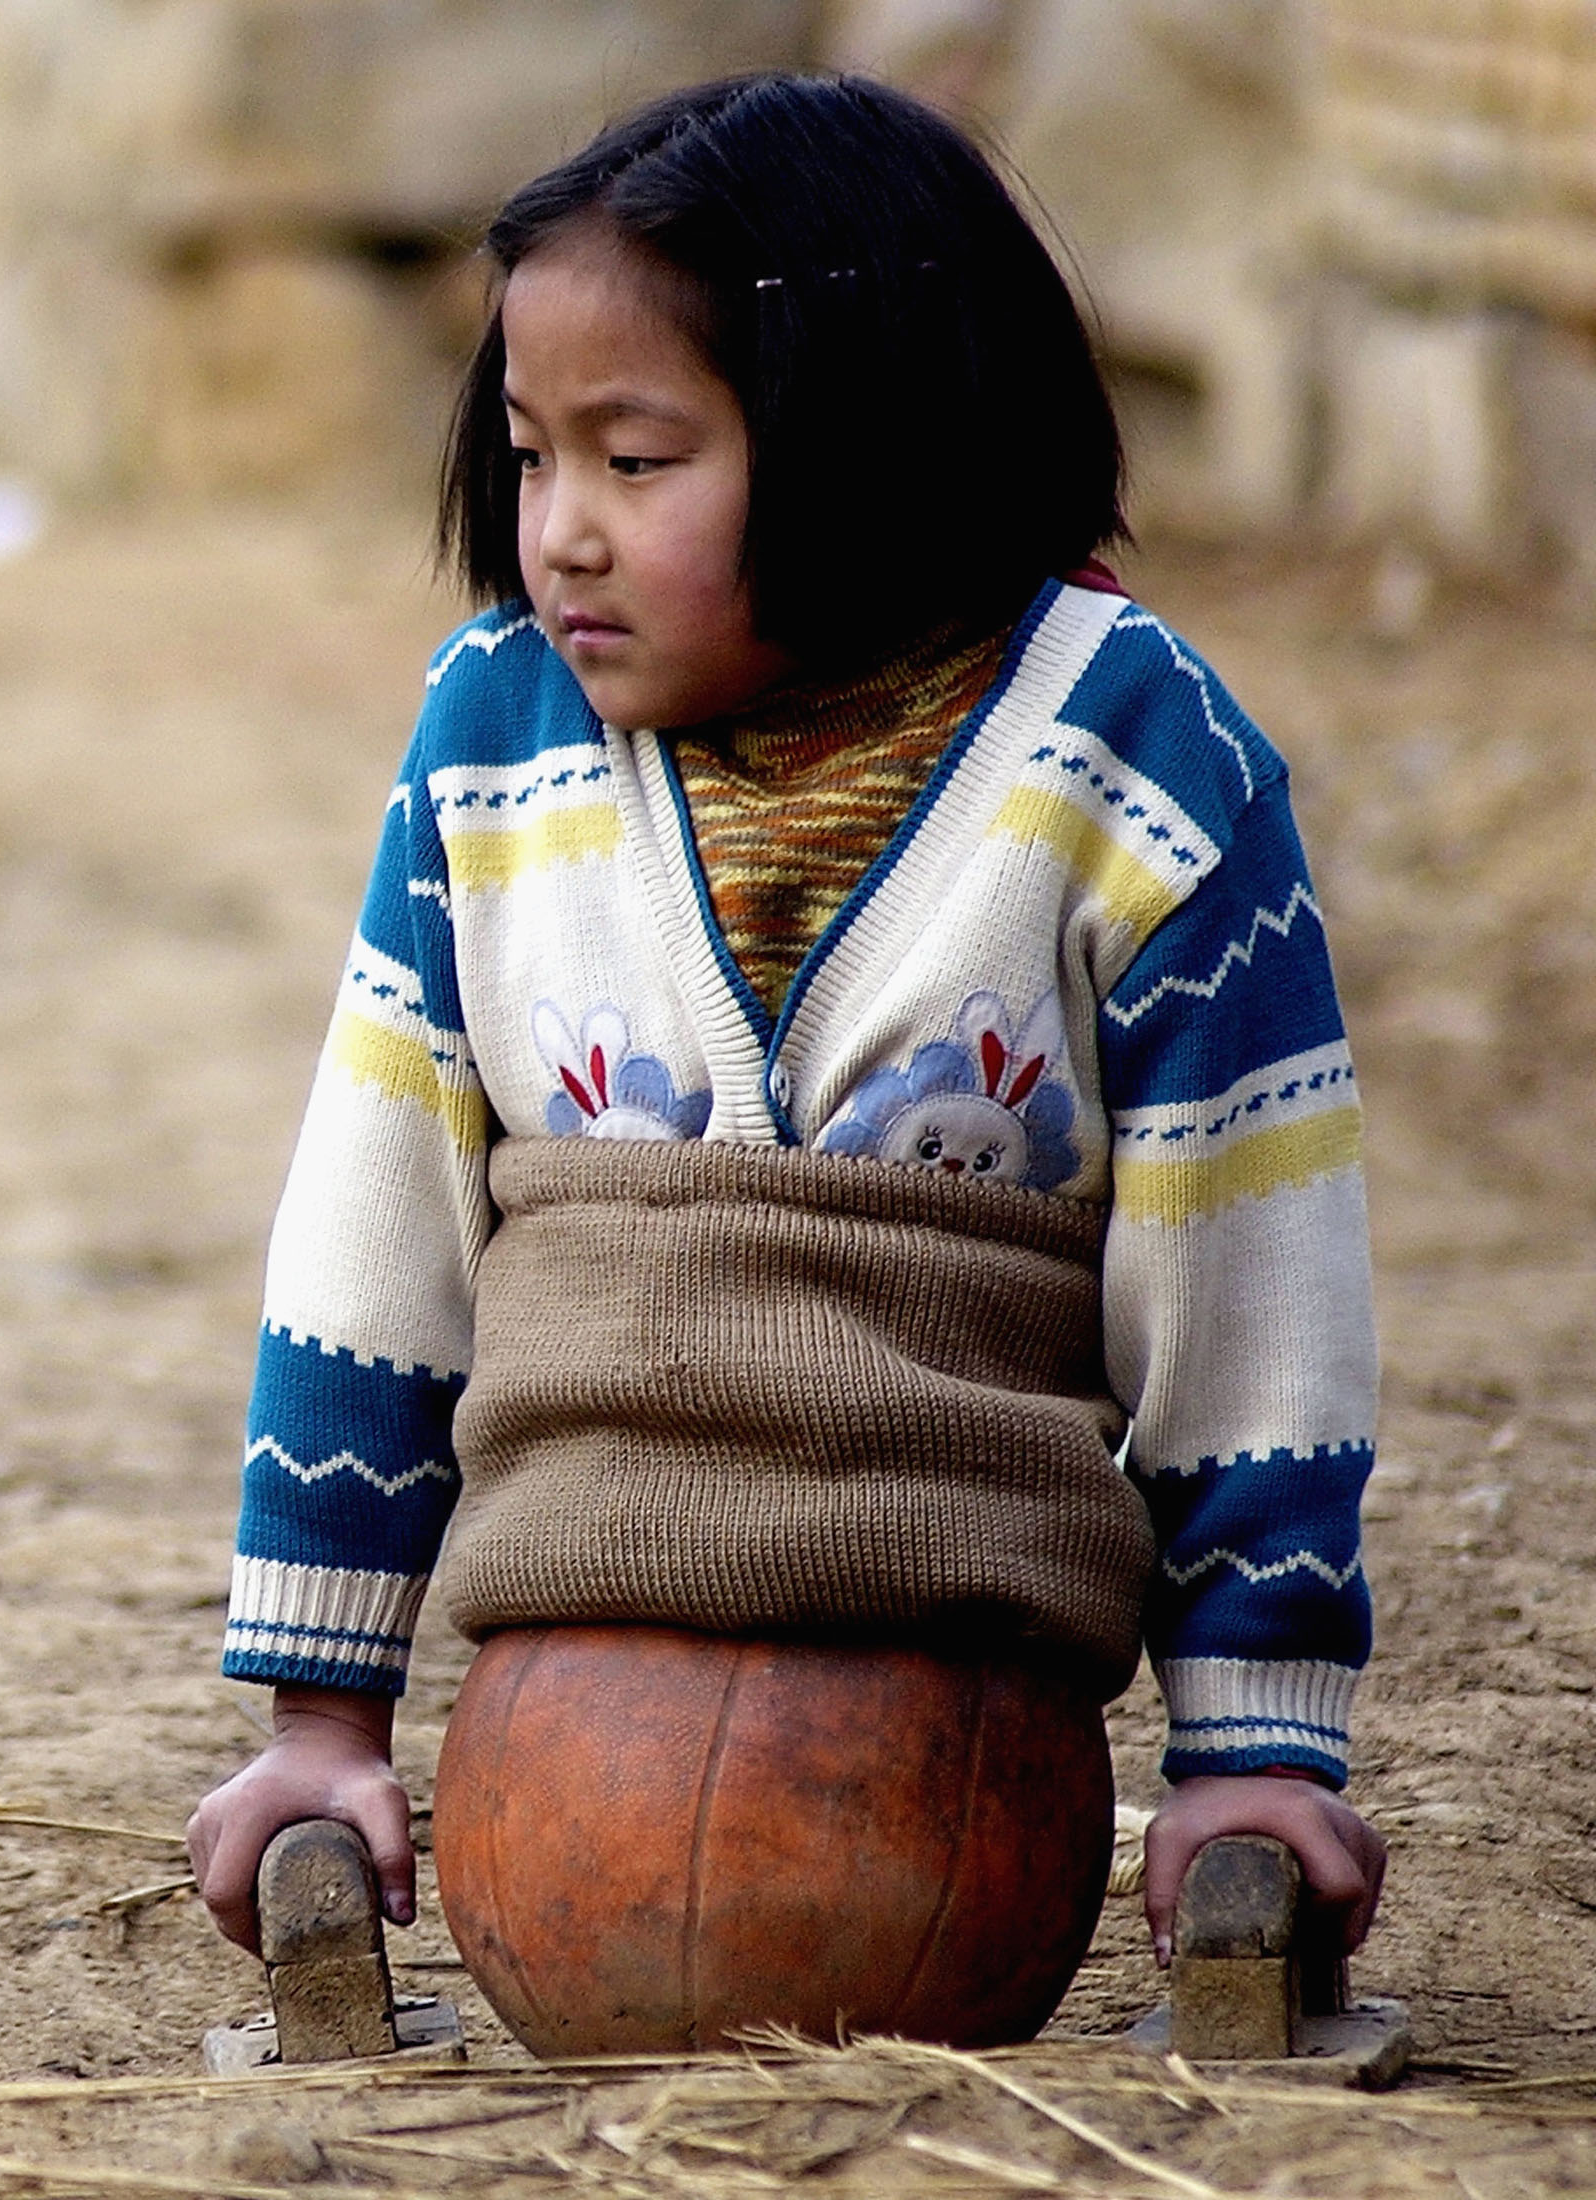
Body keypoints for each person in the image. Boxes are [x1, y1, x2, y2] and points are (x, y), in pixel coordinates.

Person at [185, 73, 1387, 1986]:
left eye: (638, 463)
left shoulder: (1136, 756)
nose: (560, 533)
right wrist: (318, 1724)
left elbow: (1251, 1264)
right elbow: (374, 1216)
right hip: (567, 1714)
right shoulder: (494, 744)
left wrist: (1257, 1749)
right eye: (528, 456)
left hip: (955, 1714)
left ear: (874, 440)